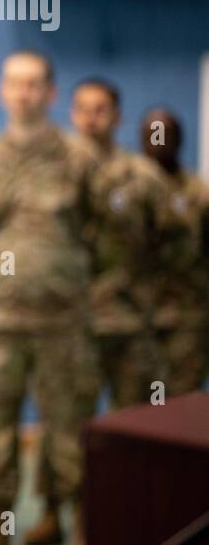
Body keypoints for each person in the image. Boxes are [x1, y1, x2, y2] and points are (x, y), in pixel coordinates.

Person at [0, 51, 98, 545]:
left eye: (35, 84)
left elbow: (104, 238)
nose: (25, 92)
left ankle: (84, 535)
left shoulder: (80, 159)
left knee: (71, 431)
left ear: (51, 93)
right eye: (15, 83)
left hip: (65, 322)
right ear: (2, 91)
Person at [68, 78, 167, 410]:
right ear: (71, 114)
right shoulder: (54, 171)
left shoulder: (143, 176)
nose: (91, 118)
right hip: (71, 319)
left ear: (118, 116)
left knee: (134, 422)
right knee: (71, 427)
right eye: (83, 109)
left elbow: (167, 241)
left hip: (130, 318)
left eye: (100, 110)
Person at [141, 108, 209, 396]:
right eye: (152, 135)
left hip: (186, 316)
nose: (159, 141)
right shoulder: (126, 186)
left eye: (166, 135)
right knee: (135, 407)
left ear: (180, 140)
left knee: (180, 403)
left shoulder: (199, 194)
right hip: (134, 317)